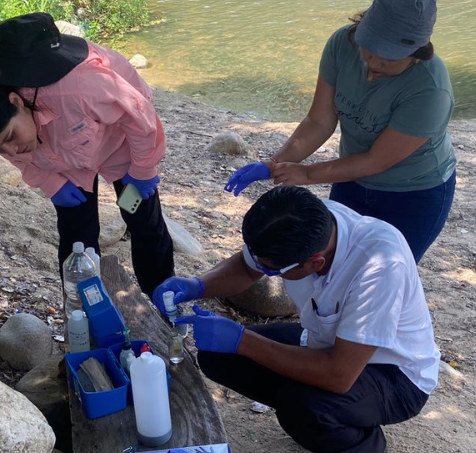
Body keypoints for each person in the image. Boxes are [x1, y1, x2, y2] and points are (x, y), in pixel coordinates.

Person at [154, 186, 440, 453]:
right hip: (323, 344)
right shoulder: (306, 222)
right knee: (219, 356)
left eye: (272, 270)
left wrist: (243, 341)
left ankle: (362, 442)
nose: (262, 271)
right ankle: (325, 408)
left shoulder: (380, 266)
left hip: (393, 373)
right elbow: (247, 265)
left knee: (304, 408)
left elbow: (339, 375)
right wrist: (197, 285)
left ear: (315, 263)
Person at [0, 12, 174, 294]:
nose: (11, 151)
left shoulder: (84, 87)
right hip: (61, 157)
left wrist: (143, 170)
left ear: (17, 101)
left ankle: (165, 301)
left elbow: (140, 118)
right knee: (76, 235)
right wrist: (50, 183)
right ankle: (82, 312)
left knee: (143, 222)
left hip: (119, 140)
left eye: (10, 138)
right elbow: (8, 147)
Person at [224, 0, 456, 263]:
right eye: (369, 49)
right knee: (334, 262)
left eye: (391, 58)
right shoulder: (342, 43)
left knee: (382, 272)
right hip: (352, 180)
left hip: (413, 193)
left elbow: (374, 161)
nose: (375, 63)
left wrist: (307, 174)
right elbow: (319, 121)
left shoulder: (430, 89)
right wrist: (275, 162)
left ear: (417, 53)